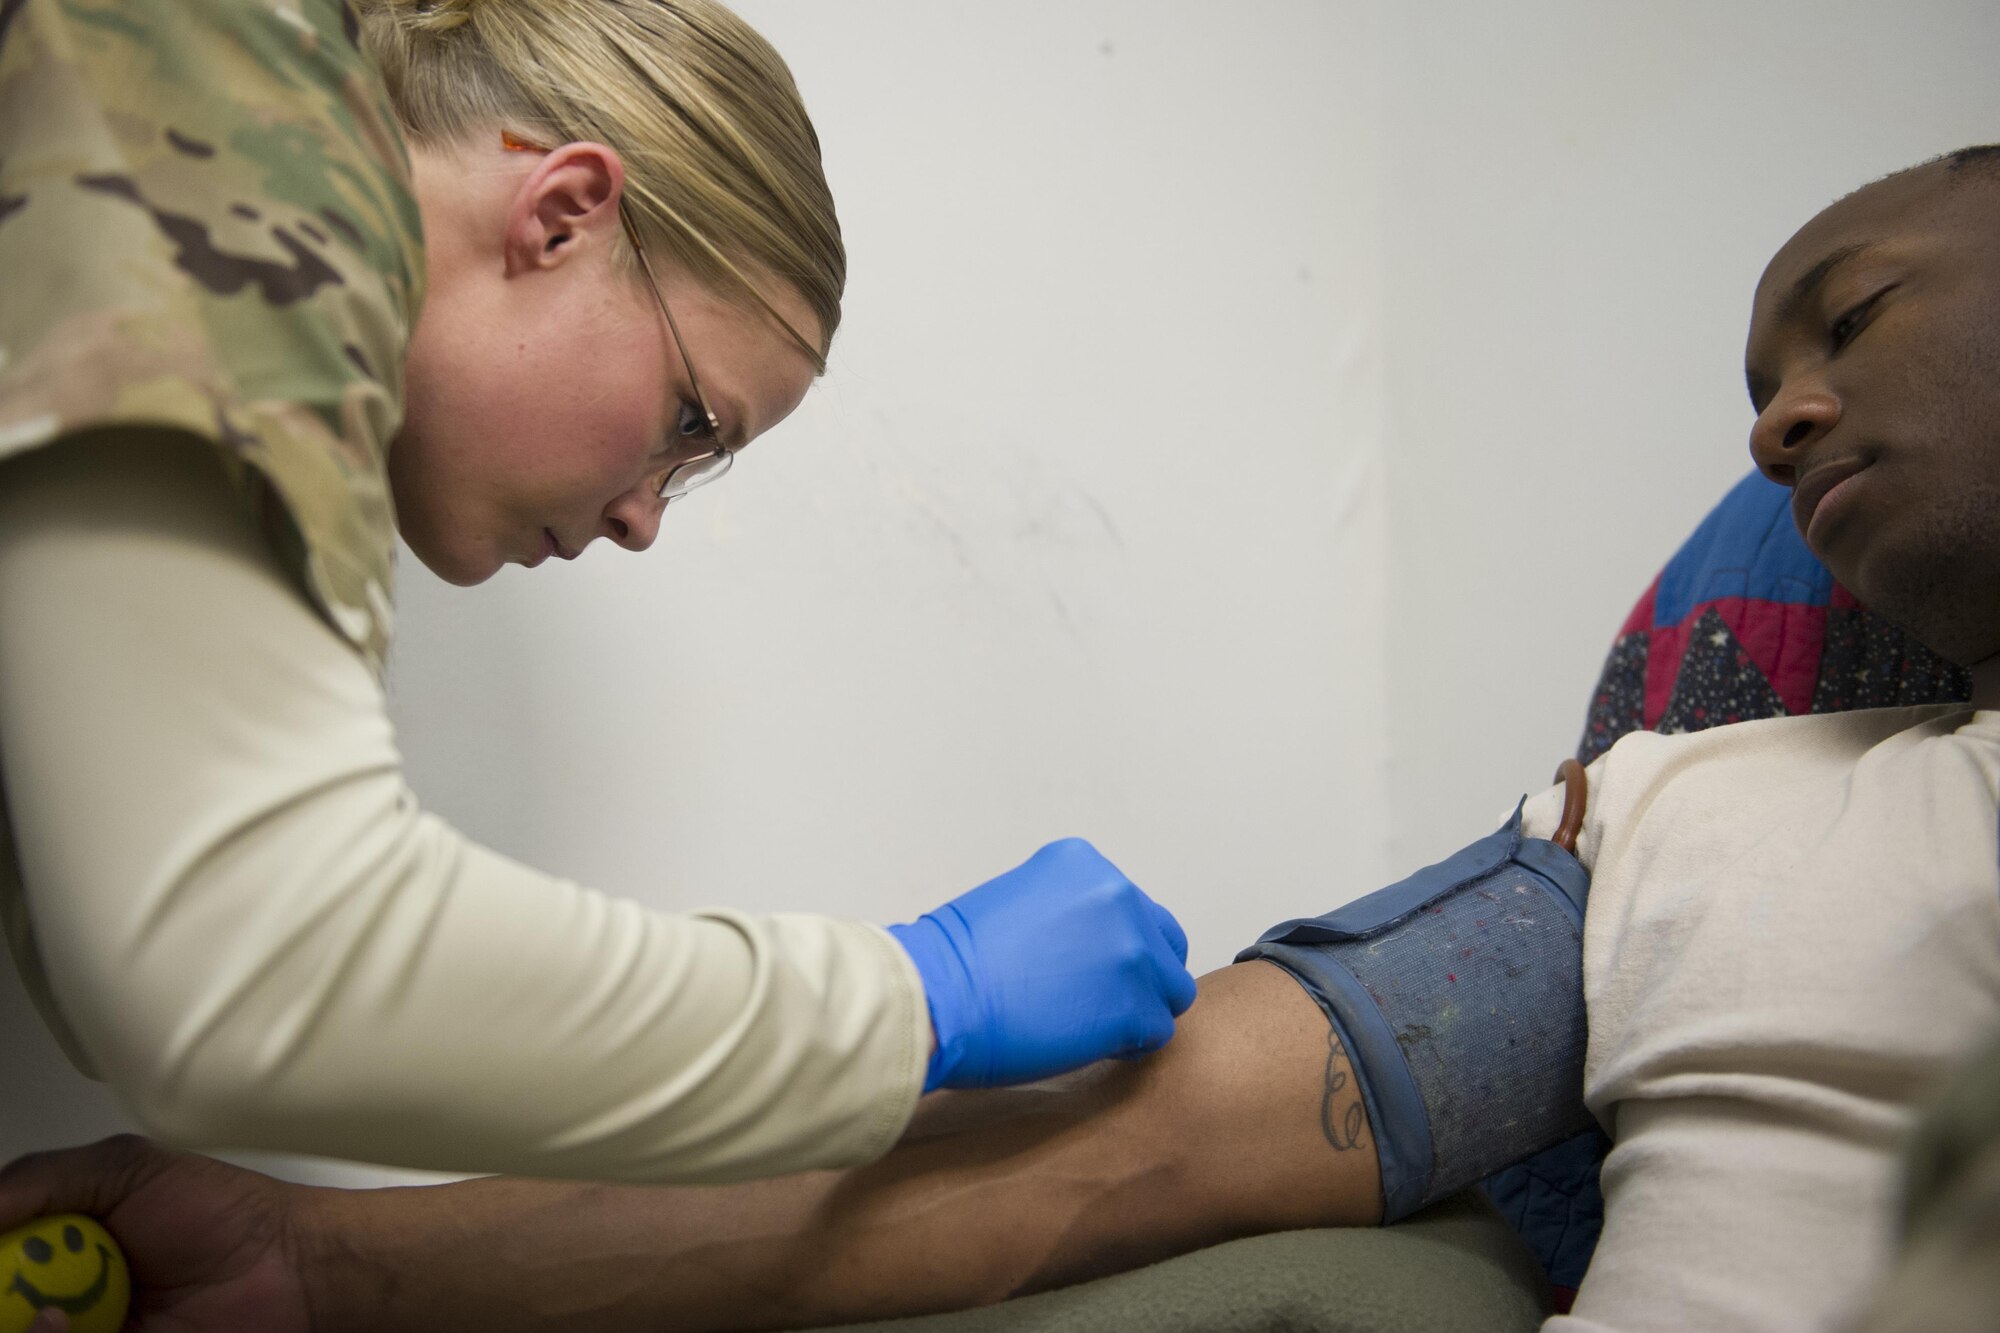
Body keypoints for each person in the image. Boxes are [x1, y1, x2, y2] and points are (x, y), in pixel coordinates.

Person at [7, 143, 1996, 1333]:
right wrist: (318, 1269)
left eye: (1859, 309)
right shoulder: (1681, 830)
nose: (1776, 420)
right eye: (1757, 370)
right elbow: (1134, 1136)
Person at [0, 0, 1198, 1184]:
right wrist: (919, 999)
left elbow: (120, 956)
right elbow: (249, 973)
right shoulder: (219, 90)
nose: (639, 522)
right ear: (563, 213)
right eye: (688, 422)